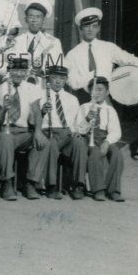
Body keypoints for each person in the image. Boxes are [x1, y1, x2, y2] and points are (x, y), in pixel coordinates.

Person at [65, 7, 138, 103]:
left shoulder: (108, 47)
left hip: (107, 98)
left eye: (94, 26)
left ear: (98, 28)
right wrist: (92, 77)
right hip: (84, 99)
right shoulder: (72, 54)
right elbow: (71, 81)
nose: (90, 29)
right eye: (86, 26)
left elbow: (129, 59)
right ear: (80, 28)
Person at [0, 57, 48, 201]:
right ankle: (7, 182)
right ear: (9, 71)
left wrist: (38, 132)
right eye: (15, 70)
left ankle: (31, 183)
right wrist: (4, 109)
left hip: (24, 132)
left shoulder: (32, 88)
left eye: (22, 71)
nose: (18, 74)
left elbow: (37, 112)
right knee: (6, 139)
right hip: (4, 130)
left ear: (26, 72)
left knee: (43, 142)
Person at [40, 59, 87, 200]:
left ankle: (78, 185)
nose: (58, 81)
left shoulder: (72, 99)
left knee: (79, 143)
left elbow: (75, 122)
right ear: (49, 79)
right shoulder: (40, 95)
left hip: (67, 133)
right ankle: (51, 186)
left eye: (61, 78)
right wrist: (42, 111)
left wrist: (76, 132)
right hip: (48, 132)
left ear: (66, 80)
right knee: (51, 144)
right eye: (54, 77)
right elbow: (34, 119)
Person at [74, 75, 125, 202]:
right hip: (88, 138)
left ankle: (113, 190)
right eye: (93, 90)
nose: (96, 93)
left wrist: (107, 142)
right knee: (95, 153)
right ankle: (98, 190)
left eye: (100, 90)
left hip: (104, 139)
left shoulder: (110, 110)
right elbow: (79, 130)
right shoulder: (84, 107)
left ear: (107, 92)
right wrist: (87, 119)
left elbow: (116, 131)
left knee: (117, 154)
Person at [7, 0, 63, 84]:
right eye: (31, 16)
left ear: (44, 20)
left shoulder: (54, 42)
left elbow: (59, 69)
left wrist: (42, 72)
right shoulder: (17, 41)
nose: (34, 20)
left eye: (38, 17)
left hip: (43, 86)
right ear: (26, 19)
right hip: (21, 85)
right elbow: (9, 68)